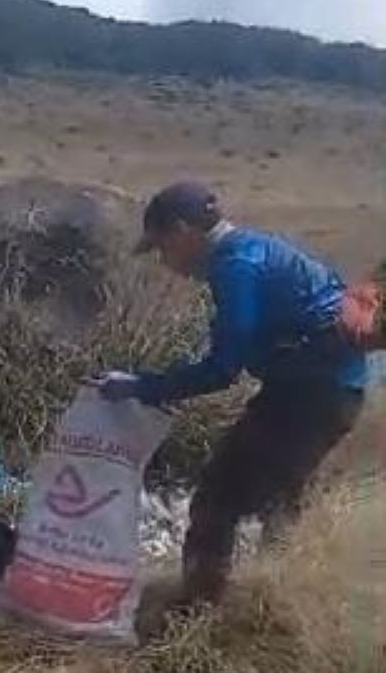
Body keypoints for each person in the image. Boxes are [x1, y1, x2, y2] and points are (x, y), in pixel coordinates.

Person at [96, 182, 367, 606]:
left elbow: (222, 370)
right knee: (281, 503)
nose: (165, 262)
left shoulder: (235, 266)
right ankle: (278, 608)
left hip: (308, 397)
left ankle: (201, 613)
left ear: (184, 230)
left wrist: (142, 386)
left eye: (161, 247)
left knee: (217, 501)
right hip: (332, 391)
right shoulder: (258, 248)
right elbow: (243, 341)